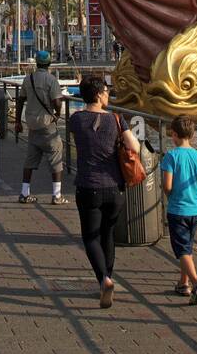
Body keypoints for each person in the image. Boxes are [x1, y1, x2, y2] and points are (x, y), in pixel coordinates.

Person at [68, 74, 140, 309]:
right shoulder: (117, 120)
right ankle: (108, 277)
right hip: (114, 187)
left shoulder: (76, 119)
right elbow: (135, 146)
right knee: (108, 234)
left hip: (88, 186)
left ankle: (103, 279)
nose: (108, 95)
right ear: (99, 95)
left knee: (90, 237)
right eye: (106, 92)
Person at [161, 115, 197, 304]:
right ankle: (184, 283)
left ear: (173, 134)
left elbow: (167, 185)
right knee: (187, 247)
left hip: (177, 209)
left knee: (181, 250)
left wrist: (171, 195)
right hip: (195, 210)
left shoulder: (171, 156)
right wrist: (196, 195)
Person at [15, 50, 68, 206]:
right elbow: (57, 102)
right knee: (56, 156)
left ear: (36, 63)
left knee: (30, 159)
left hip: (31, 123)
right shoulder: (51, 80)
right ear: (49, 64)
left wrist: (18, 121)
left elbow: (20, 100)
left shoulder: (28, 79)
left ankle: (25, 193)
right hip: (47, 124)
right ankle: (57, 195)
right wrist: (57, 114)